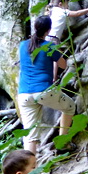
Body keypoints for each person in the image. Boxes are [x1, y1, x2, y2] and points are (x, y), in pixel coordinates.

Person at [18, 15, 76, 154]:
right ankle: (63, 143)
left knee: (30, 136)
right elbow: (63, 64)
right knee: (69, 107)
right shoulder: (49, 46)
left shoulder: (23, 45)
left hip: (24, 94)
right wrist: (57, 50)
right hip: (43, 91)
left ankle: (30, 171)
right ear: (49, 30)